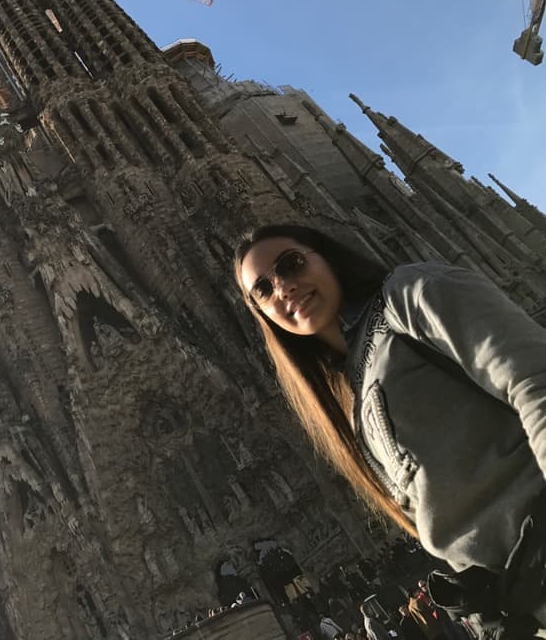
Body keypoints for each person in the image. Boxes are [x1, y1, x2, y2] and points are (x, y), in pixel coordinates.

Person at [234, 225, 546, 631]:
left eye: (291, 264)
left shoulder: (406, 295)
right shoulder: (350, 397)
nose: (284, 288)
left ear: (325, 256)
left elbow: (534, 380)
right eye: (263, 289)